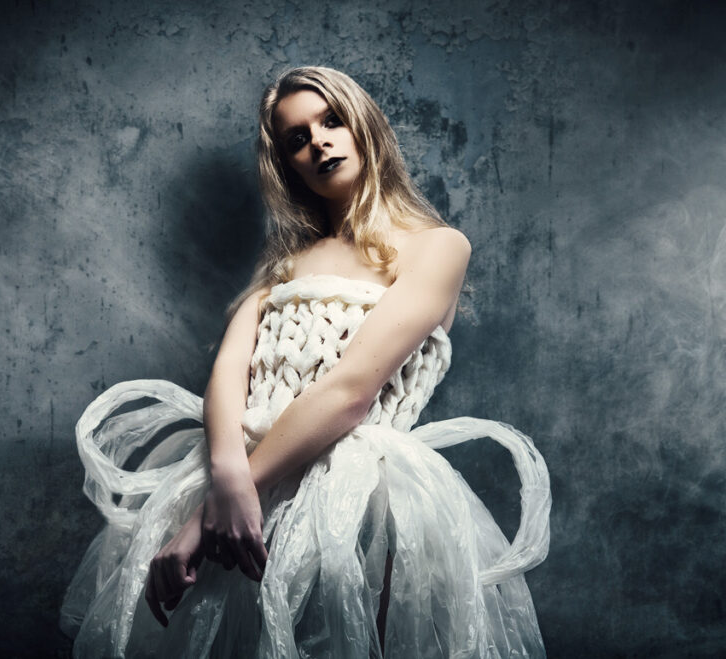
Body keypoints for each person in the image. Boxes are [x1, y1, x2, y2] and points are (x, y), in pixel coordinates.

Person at [59, 66, 551, 658]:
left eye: (332, 121)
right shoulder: (284, 265)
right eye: (297, 137)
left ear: (364, 127)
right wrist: (227, 480)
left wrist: (216, 508)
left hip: (358, 502)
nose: (318, 141)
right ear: (286, 163)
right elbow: (226, 377)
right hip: (240, 485)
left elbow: (349, 391)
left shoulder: (437, 246)